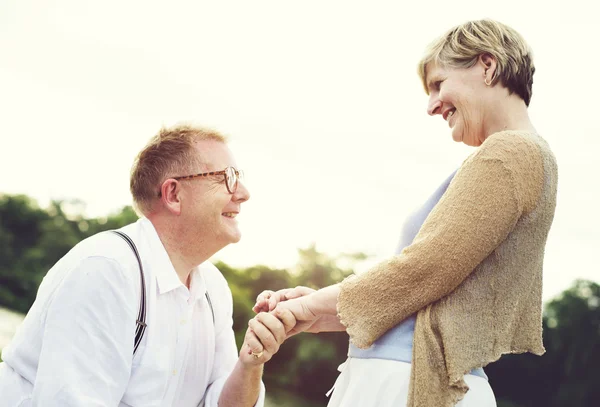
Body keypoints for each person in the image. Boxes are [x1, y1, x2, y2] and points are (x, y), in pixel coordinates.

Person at [255, 19, 558, 407]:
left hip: (409, 384)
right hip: (408, 378)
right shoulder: (524, 156)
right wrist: (317, 312)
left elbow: (425, 269)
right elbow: (416, 296)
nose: (432, 105)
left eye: (438, 84)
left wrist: (308, 306)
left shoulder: (510, 153)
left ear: (487, 65)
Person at [0, 124, 294, 406]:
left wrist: (251, 363)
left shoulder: (214, 289)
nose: (243, 192)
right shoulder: (106, 270)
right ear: (174, 195)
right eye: (227, 177)